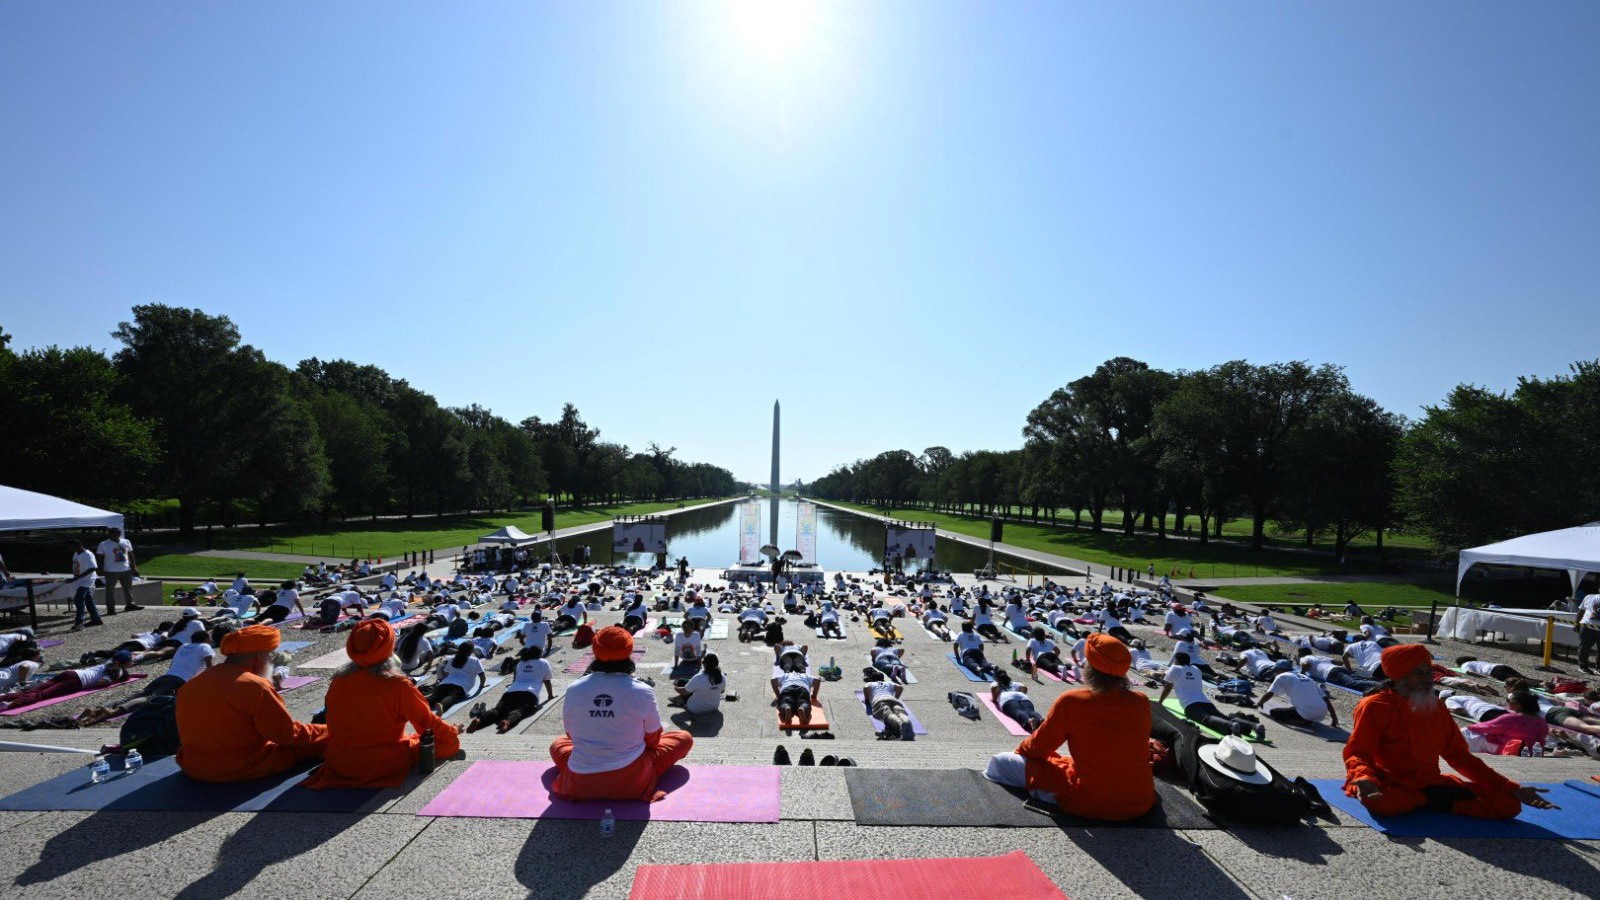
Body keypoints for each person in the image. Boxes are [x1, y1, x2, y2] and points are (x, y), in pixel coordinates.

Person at [1343, 643, 1553, 819]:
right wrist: (1364, 779)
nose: (1428, 678)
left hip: (1430, 783)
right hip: (1390, 782)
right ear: (1399, 676)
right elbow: (1358, 753)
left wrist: (1509, 787)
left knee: (1509, 805)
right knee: (1384, 803)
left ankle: (1426, 800)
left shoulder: (1436, 706)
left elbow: (1459, 756)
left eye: (1429, 672)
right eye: (1419, 673)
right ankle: (1431, 800)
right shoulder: (1374, 705)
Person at [985, 634, 1156, 821]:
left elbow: (1037, 749)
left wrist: (1021, 752)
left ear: (1090, 667)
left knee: (1000, 762)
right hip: (1140, 799)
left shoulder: (1072, 700)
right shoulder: (1141, 701)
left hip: (1091, 800)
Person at [304, 618, 461, 788]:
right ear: (388, 648)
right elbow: (426, 724)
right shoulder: (398, 684)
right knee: (446, 744)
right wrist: (451, 732)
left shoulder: (338, 680)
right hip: (380, 762)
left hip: (340, 763)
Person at [549, 626, 693, 802]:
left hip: (579, 782)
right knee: (683, 738)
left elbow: (571, 735)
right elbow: (654, 740)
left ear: (595, 650)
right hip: (632, 780)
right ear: (629, 651)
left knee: (558, 744)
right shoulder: (642, 690)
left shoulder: (574, 689)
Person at [175, 625, 328, 782]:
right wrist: (326, 730)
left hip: (192, 765)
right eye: (271, 656)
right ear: (260, 657)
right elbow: (286, 735)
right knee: (326, 739)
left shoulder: (193, 683)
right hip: (238, 767)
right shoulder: (255, 685)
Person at [1160, 652, 1265, 741]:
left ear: (1177, 661)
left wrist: (1160, 702)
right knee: (1224, 717)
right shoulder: (1196, 669)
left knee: (1207, 719)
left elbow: (1167, 687)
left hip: (1190, 705)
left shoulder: (1174, 668)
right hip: (1206, 702)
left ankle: (1231, 726)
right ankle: (1255, 726)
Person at [0, 652, 131, 712]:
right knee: (42, 695)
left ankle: (4, 698)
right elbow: (103, 681)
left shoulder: (107, 663)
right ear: (125, 663)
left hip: (70, 673)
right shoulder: (118, 670)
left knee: (33, 690)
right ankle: (9, 705)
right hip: (76, 681)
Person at [1458, 691, 1548, 756]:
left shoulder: (1512, 718)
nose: (1507, 702)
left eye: (1509, 700)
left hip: (1507, 749)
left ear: (1519, 704)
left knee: (1466, 731)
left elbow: (1487, 727)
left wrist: (1468, 726)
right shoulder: (1541, 722)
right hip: (1530, 751)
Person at [1258, 664, 1338, 727]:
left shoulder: (1281, 676)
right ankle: (1307, 718)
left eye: (1277, 670)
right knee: (1294, 708)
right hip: (1321, 713)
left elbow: (1270, 693)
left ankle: (1302, 721)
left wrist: (1261, 702)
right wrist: (1334, 718)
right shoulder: (1307, 678)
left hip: (1307, 714)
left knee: (1274, 712)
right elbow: (1326, 699)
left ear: (1280, 670)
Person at [143, 631, 216, 697]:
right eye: (210, 637)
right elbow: (210, 668)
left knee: (141, 694)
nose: (211, 640)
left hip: (166, 676)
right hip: (180, 680)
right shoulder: (205, 646)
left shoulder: (183, 646)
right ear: (206, 639)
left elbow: (172, 664)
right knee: (151, 698)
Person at [422, 643, 486, 714]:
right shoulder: (475, 660)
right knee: (451, 697)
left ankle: (419, 703)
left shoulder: (453, 659)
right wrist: (481, 685)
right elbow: (482, 675)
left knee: (434, 697)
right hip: (461, 686)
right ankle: (442, 706)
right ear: (471, 651)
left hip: (445, 683)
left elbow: (445, 673)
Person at [97, 527, 142, 614]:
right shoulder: (103, 544)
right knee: (110, 590)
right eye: (113, 534)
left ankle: (130, 605)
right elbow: (99, 557)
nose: (115, 536)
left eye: (117, 534)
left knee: (128, 588)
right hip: (110, 570)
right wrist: (100, 568)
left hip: (126, 569)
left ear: (119, 534)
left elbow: (130, 554)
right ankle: (111, 609)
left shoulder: (126, 542)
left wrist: (134, 566)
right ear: (109, 535)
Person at [861, 668, 914, 740]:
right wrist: (896, 697)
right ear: (882, 678)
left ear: (872, 679)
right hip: (892, 699)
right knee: (900, 712)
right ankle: (906, 722)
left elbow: (866, 687)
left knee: (887, 714)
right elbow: (900, 687)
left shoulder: (870, 683)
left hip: (879, 700)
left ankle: (899, 724)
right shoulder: (889, 683)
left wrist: (867, 700)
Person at [67, 539, 102, 631]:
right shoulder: (76, 553)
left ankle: (79, 623)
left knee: (79, 600)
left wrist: (77, 578)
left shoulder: (87, 554)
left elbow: (93, 568)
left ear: (77, 546)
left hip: (87, 581)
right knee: (88, 600)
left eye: (70, 546)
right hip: (79, 581)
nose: (69, 549)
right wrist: (74, 578)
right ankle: (96, 619)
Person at [1579, 592, 1600, 674]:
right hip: (1587, 626)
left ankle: (1598, 668)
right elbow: (1581, 611)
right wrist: (1577, 623)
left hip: (1587, 626)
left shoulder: (1589, 596)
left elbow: (1580, 612)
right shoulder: (1589, 597)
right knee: (1584, 647)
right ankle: (1583, 666)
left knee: (1584, 647)